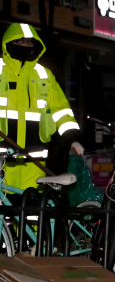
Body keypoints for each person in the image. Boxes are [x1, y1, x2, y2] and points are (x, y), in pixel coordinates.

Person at [0, 23, 79, 190]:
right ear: (7, 43)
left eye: (28, 43)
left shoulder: (44, 75)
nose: (24, 46)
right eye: (19, 42)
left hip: (34, 160)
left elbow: (60, 108)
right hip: (2, 159)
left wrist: (70, 135)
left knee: (33, 211)